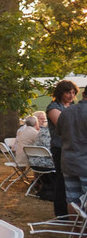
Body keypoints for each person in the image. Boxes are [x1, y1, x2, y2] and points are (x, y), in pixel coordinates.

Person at [47, 80, 78, 217]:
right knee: (62, 178)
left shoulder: (75, 106)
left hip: (75, 148)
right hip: (60, 148)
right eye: (68, 92)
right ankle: (61, 212)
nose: (71, 95)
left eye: (73, 92)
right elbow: (64, 126)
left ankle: (73, 210)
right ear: (60, 93)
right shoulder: (54, 107)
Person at [57, 89, 87, 205]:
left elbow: (59, 133)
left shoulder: (66, 112)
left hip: (68, 162)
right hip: (84, 164)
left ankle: (74, 224)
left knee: (73, 201)